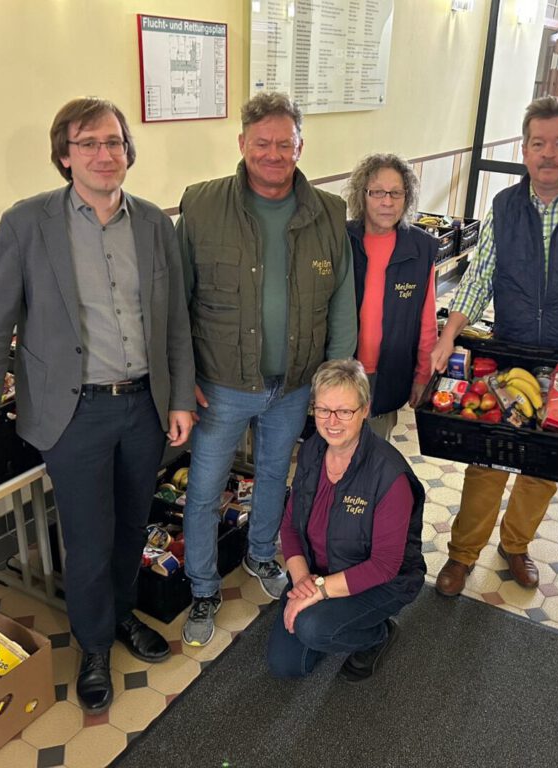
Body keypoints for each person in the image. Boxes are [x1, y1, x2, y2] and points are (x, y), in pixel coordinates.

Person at [0, 97, 196, 714]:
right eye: (88, 143)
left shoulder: (153, 223)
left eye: (114, 142)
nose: (104, 154)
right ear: (65, 155)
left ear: (128, 151)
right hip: (73, 414)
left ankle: (121, 615)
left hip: (144, 406)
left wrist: (180, 396)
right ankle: (93, 645)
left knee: (132, 526)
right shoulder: (27, 223)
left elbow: (174, 322)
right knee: (88, 538)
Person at [431, 95, 558, 596]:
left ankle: (516, 545)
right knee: (488, 459)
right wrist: (448, 335)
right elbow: (479, 279)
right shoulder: (504, 207)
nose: (548, 154)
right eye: (538, 143)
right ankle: (462, 554)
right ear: (524, 150)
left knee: (546, 464)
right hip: (511, 353)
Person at [176, 92, 357, 647]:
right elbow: (176, 303)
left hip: (295, 383)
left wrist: (336, 382)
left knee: (274, 477)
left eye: (285, 143)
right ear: (242, 144)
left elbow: (341, 302)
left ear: (300, 147)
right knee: (204, 491)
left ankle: (260, 555)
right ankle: (203, 586)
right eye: (262, 143)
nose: (273, 154)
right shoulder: (201, 205)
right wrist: (182, 380)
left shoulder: (328, 212)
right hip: (220, 385)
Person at [267, 359, 426, 681]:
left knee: (312, 628)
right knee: (286, 666)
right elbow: (290, 526)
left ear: (365, 410)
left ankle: (378, 635)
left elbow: (384, 566)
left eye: (344, 411)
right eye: (323, 410)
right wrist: (302, 581)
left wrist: (319, 591)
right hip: (319, 573)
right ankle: (334, 620)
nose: (332, 421)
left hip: (382, 582)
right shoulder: (312, 451)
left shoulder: (389, 475)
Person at [345, 154, 438, 439]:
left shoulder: (421, 248)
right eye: (377, 192)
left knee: (375, 451)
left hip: (389, 374)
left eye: (396, 193)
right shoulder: (342, 239)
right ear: (362, 195)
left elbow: (427, 322)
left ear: (406, 198)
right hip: (343, 370)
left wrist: (423, 375)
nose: (387, 202)